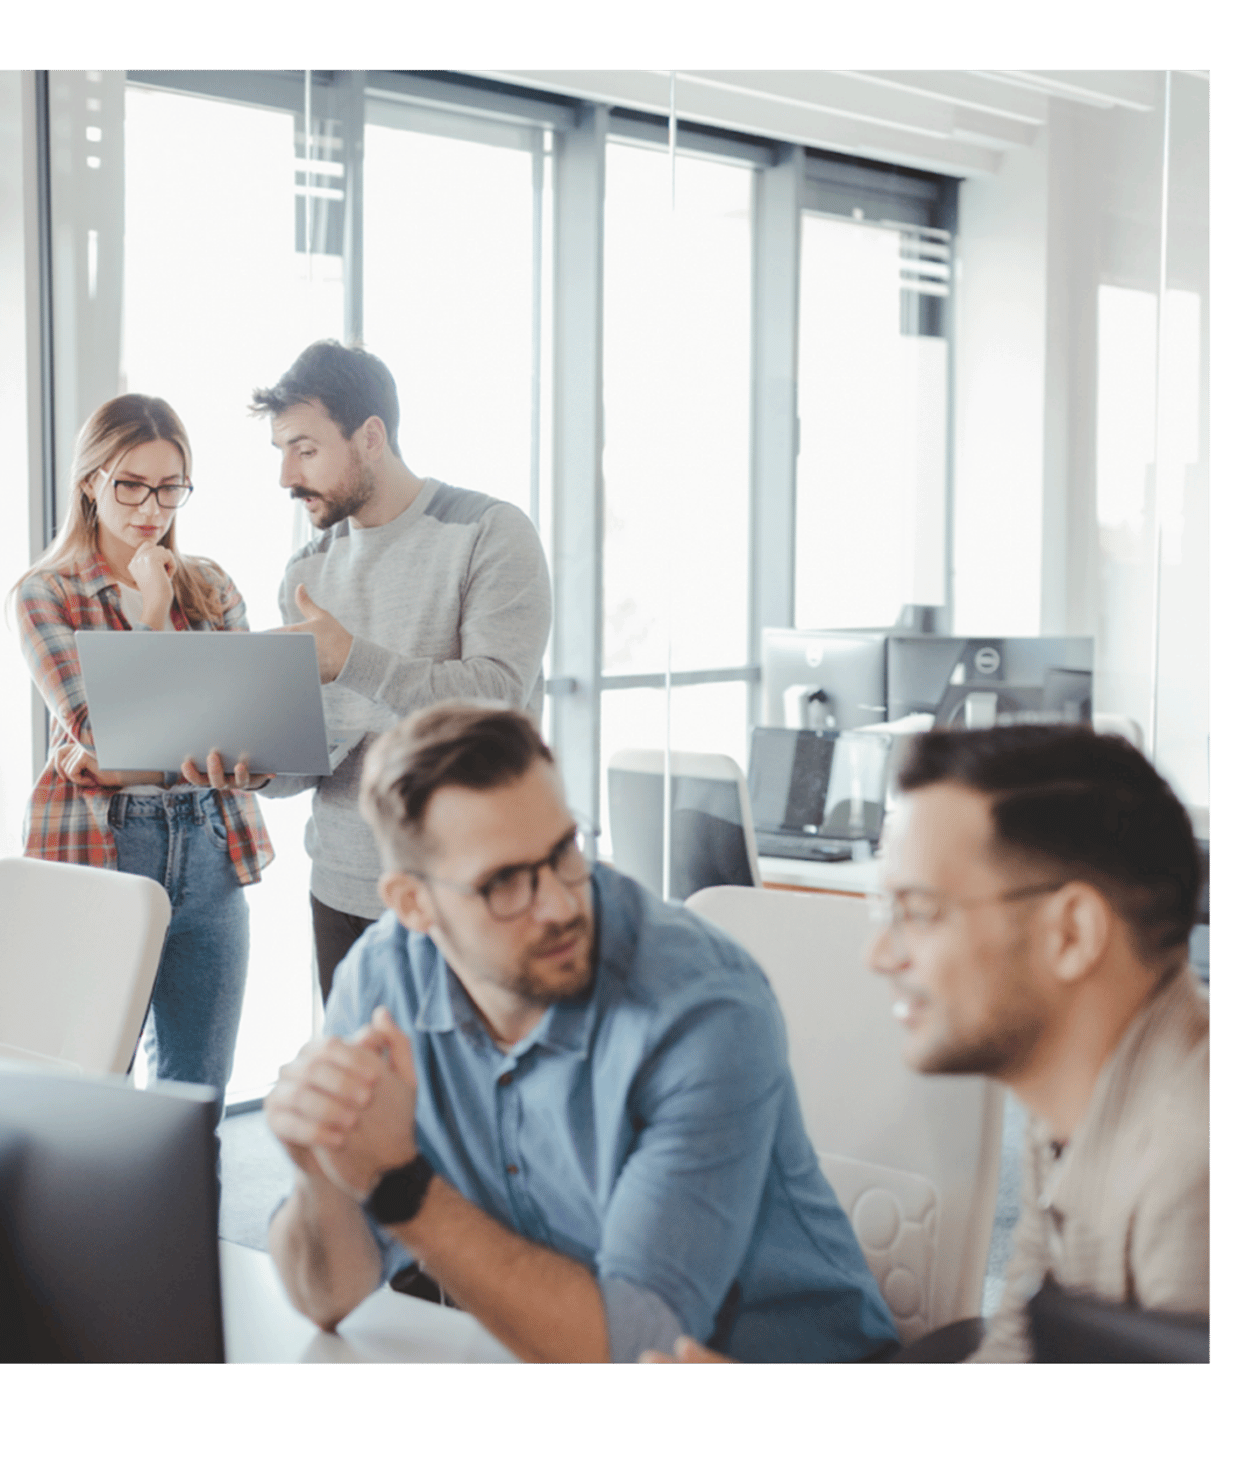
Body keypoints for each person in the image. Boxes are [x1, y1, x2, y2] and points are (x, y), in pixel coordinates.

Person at [263, 700, 897, 1363]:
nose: (563, 903)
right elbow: (327, 1299)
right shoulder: (382, 979)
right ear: (412, 903)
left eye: (564, 849)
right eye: (506, 882)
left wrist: (400, 1184)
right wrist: (323, 1171)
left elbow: (635, 1349)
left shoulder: (702, 1008)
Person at [645, 725, 1210, 1364]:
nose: (879, 954)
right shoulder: (1074, 1104)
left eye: (919, 911)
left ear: (1071, 933)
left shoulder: (1195, 1173)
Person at [242, 341, 552, 1003]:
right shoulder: (306, 570)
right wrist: (259, 768)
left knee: (458, 1105)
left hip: (463, 891)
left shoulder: (489, 531)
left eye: (305, 447)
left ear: (371, 436)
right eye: (280, 452)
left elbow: (497, 701)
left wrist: (352, 658)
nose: (286, 477)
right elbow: (321, 748)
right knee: (363, 1101)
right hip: (339, 886)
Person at [13, 393, 272, 1100]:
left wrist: (122, 756)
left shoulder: (211, 585)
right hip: (105, 849)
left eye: (169, 486)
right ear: (91, 481)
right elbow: (106, 730)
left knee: (196, 1099)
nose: (150, 507)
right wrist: (153, 623)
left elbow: (242, 728)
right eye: (131, 483)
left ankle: (181, 1219)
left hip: (212, 845)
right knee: (94, 1093)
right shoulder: (48, 594)